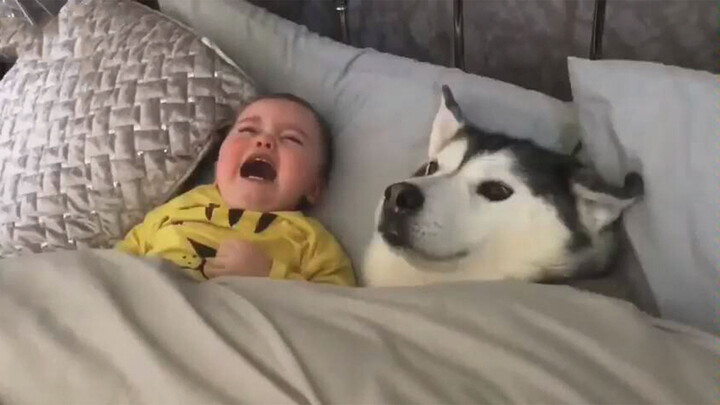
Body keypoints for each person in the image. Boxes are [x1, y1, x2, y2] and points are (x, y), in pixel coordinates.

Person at [117, 94, 356, 286]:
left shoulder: (310, 239)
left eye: (291, 139)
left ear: (314, 188)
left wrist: (268, 276)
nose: (264, 141)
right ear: (218, 162)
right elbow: (116, 261)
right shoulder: (179, 206)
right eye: (248, 131)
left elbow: (337, 310)